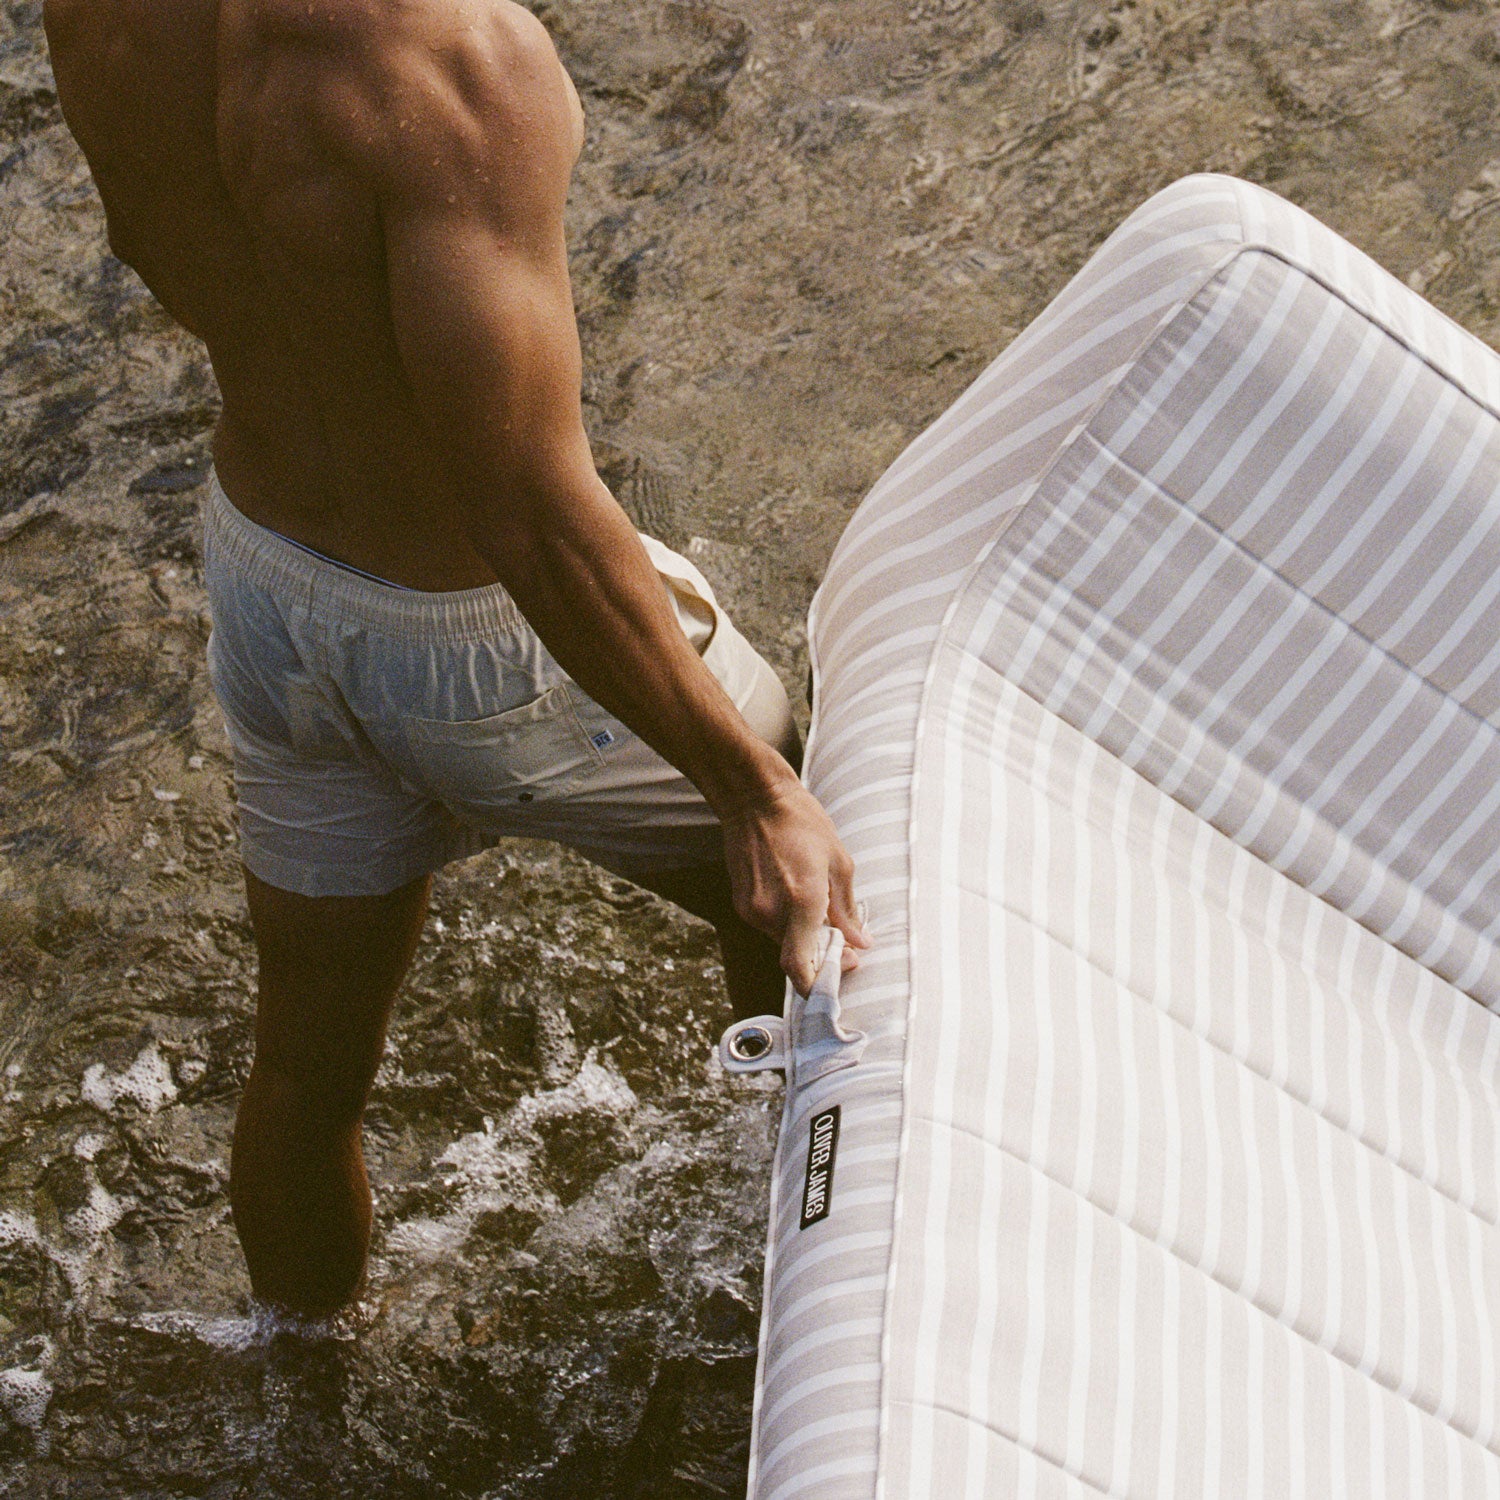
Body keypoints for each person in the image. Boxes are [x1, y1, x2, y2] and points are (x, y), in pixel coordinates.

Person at [42, 0, 868, 1319]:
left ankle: (293, 1382)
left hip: (264, 579)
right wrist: (752, 795)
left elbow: (153, 241)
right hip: (484, 639)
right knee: (840, 850)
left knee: (308, 1073)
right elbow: (530, 516)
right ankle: (797, 1277)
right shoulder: (461, 66)